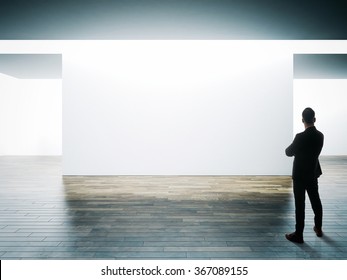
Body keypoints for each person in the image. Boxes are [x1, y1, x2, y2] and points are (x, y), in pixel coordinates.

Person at [285, 107, 324, 243]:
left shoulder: (300, 137)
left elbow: (288, 152)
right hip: (312, 173)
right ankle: (318, 228)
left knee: (299, 205)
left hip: (300, 175)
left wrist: (298, 151)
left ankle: (299, 234)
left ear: (302, 120)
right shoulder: (320, 136)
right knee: (316, 201)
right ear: (314, 119)